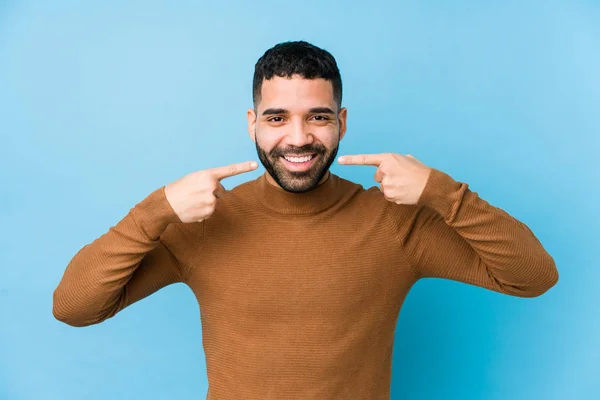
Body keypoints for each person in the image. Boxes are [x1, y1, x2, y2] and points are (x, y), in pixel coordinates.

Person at [53, 40, 559, 400]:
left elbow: (534, 277)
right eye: (277, 118)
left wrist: (441, 193)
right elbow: (75, 307)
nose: (298, 138)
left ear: (341, 122)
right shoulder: (202, 223)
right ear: (252, 123)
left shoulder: (396, 224)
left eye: (317, 116)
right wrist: (156, 209)